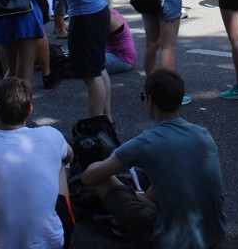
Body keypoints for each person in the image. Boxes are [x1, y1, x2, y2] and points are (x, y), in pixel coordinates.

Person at [82, 70, 226, 249]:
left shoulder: (146, 142)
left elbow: (89, 177)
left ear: (150, 101)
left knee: (102, 177)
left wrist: (96, 165)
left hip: (172, 241)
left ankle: (130, 225)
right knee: (169, 169)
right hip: (215, 236)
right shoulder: (203, 134)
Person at [0, 77, 73, 249]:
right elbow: (70, 156)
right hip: (54, 243)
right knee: (59, 160)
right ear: (30, 110)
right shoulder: (51, 134)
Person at [105, 8, 137, 74]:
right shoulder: (110, 13)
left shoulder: (110, 19)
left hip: (122, 59)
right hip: (115, 54)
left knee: (86, 63)